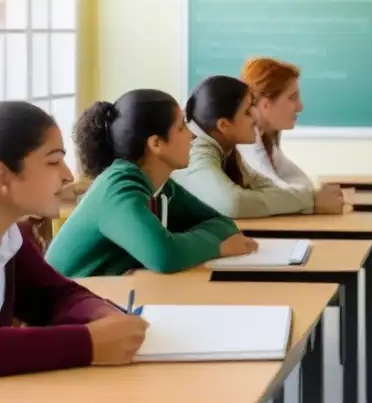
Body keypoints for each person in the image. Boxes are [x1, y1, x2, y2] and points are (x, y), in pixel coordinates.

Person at [0, 100, 148, 376]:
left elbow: (56, 294)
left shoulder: (9, 239)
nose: (68, 176)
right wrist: (88, 343)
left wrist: (100, 313)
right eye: (53, 161)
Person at [46, 89, 257, 278]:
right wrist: (217, 246)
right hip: (59, 312)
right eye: (181, 127)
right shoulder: (119, 188)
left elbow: (223, 224)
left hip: (104, 296)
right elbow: (164, 255)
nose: (192, 135)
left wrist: (178, 242)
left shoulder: (160, 185)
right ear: (156, 144)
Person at [172, 75, 345, 218]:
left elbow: (265, 186)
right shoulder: (194, 149)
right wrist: (311, 201)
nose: (256, 117)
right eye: (248, 111)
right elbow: (233, 204)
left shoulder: (225, 148)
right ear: (224, 125)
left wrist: (311, 199)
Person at [237, 57, 313, 190]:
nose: (300, 106)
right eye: (292, 97)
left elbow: (304, 184)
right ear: (266, 104)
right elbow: (273, 191)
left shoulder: (266, 139)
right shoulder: (246, 141)